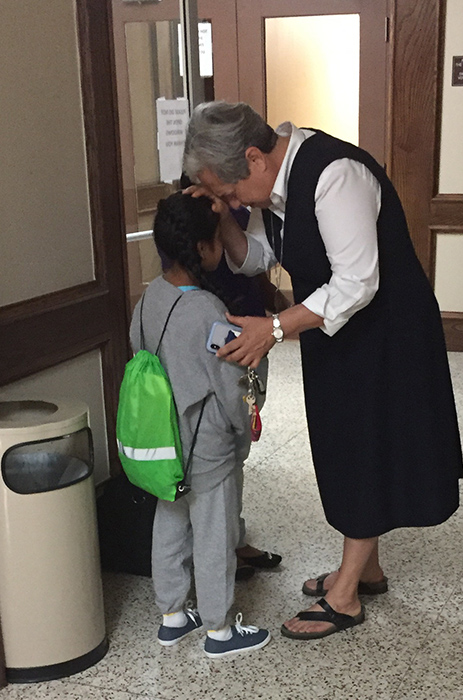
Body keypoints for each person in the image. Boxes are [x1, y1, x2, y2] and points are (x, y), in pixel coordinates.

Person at [182, 101, 463, 640]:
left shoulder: (336, 175)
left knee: (364, 446)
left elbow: (357, 282)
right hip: (338, 332)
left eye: (231, 192)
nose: (232, 202)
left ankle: (347, 594)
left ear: (253, 157)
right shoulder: (275, 183)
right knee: (349, 443)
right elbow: (260, 254)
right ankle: (368, 567)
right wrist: (223, 219)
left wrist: (274, 328)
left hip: (387, 333)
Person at [130, 191, 270, 658]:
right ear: (206, 249)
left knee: (169, 522)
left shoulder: (148, 298)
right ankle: (219, 629)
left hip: (163, 442)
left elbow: (140, 352)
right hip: (206, 448)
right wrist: (241, 432)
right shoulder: (211, 312)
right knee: (215, 533)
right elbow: (233, 387)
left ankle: (172, 616)